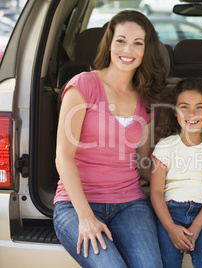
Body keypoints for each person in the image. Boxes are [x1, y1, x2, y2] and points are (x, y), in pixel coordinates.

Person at [53, 10, 165, 268]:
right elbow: (63, 156)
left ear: (147, 50)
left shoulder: (146, 99)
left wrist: (183, 173)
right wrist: (86, 216)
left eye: (138, 43)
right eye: (121, 40)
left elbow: (143, 162)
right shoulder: (83, 85)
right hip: (76, 204)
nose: (128, 49)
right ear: (109, 44)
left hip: (130, 203)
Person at [150, 77, 202, 268]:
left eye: (199, 107)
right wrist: (170, 228)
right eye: (184, 107)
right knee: (167, 262)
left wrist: (195, 228)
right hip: (170, 212)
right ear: (175, 112)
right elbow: (156, 192)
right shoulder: (165, 145)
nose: (191, 113)